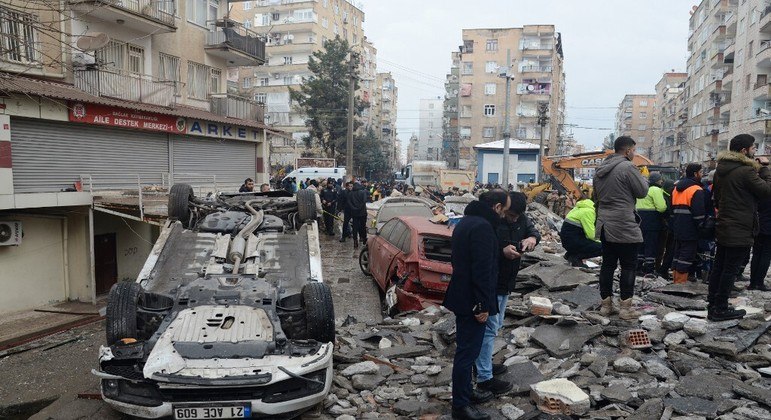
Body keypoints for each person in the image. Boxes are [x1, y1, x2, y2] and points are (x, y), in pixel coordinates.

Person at [443, 189, 510, 420]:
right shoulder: (483, 228)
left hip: (463, 296)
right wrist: (482, 305)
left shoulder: (466, 222)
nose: (504, 216)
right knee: (466, 354)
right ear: (497, 207)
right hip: (472, 301)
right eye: (505, 210)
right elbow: (482, 270)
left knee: (467, 351)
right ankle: (460, 407)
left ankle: (466, 393)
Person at [474, 192, 539, 397]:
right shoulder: (492, 223)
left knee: (495, 326)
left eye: (515, 216)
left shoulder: (521, 218)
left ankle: (482, 365)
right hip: (492, 282)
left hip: (507, 282)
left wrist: (531, 239)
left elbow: (534, 231)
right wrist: (503, 251)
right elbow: (485, 253)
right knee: (489, 328)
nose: (512, 219)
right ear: (500, 208)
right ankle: (484, 376)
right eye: (509, 215)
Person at [708, 134, 771, 321]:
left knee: (719, 266)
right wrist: (765, 169)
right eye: (753, 148)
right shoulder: (746, 171)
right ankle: (720, 308)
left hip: (725, 223)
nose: (755, 151)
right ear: (744, 151)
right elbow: (767, 191)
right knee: (730, 269)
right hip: (741, 226)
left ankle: (713, 305)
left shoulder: (721, 169)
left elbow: (717, 197)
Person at [593, 136, 649, 319]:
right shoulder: (628, 167)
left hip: (604, 224)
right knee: (628, 266)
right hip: (624, 224)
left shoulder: (600, 169)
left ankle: (606, 306)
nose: (634, 153)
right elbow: (642, 192)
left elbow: (596, 197)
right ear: (627, 151)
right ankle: (626, 308)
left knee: (608, 265)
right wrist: (644, 178)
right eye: (634, 150)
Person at [670, 164, 706, 284]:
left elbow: (671, 210)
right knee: (686, 256)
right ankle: (680, 284)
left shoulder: (676, 188)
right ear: (695, 174)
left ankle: (675, 281)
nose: (702, 174)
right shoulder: (696, 190)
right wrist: (702, 228)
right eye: (701, 172)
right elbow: (699, 214)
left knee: (677, 254)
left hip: (677, 227)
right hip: (690, 229)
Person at [636, 172, 668, 275]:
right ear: (658, 181)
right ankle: (649, 269)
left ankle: (638, 267)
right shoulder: (656, 190)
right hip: (652, 221)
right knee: (651, 245)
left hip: (640, 220)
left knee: (641, 245)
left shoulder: (642, 189)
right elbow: (661, 207)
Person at [560, 195, 602, 267]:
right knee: (604, 247)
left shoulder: (579, 208)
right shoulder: (589, 212)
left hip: (567, 241)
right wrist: (601, 241)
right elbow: (591, 235)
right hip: (572, 242)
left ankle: (570, 254)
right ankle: (576, 257)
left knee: (588, 242)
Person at [749, 196, 771, 291]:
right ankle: (759, 282)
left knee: (756, 254)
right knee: (766, 255)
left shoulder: (760, 192)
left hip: (758, 226)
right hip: (769, 229)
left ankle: (753, 282)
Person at [347, 181, 368, 248]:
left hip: (354, 213)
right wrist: (359, 208)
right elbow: (364, 201)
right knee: (363, 226)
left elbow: (349, 202)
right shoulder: (363, 192)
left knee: (355, 227)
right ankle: (364, 239)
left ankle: (355, 241)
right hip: (362, 212)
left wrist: (354, 208)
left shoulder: (350, 193)